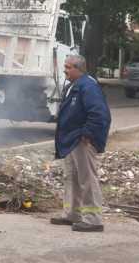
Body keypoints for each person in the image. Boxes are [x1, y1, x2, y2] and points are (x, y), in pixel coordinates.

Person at [50, 54, 111, 232]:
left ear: (78, 69)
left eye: (68, 67)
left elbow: (100, 114)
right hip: (71, 141)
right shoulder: (74, 86)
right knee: (72, 178)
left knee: (87, 179)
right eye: (65, 66)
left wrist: (87, 134)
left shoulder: (88, 86)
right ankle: (73, 214)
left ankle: (93, 220)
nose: (64, 70)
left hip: (82, 141)